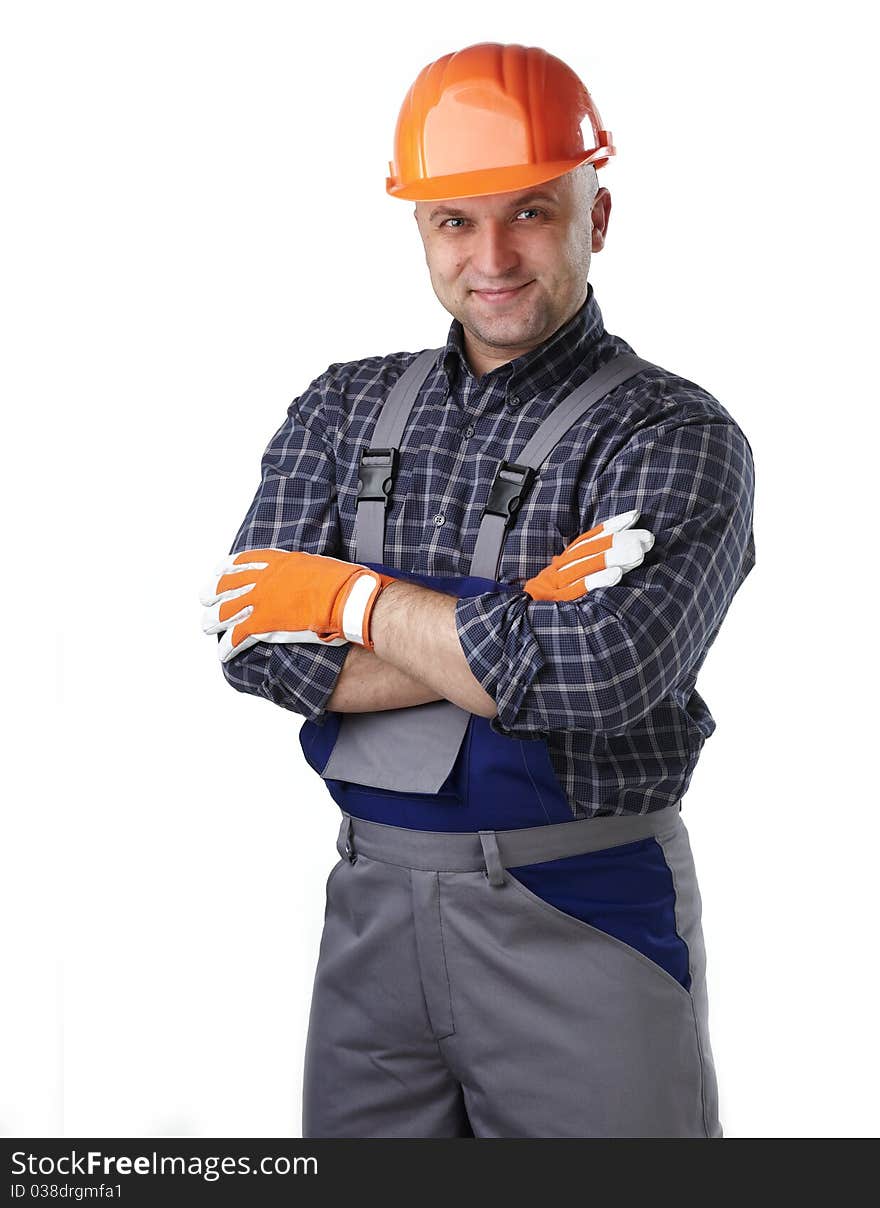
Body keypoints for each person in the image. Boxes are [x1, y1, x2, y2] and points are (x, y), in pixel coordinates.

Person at [200, 41, 756, 1138]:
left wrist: (349, 601)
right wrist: (508, 623)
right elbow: (250, 641)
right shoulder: (341, 406)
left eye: (531, 213)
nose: (491, 255)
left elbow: (594, 675)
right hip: (367, 915)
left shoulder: (672, 433)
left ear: (596, 216)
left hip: (580, 914)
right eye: (455, 220)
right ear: (418, 227)